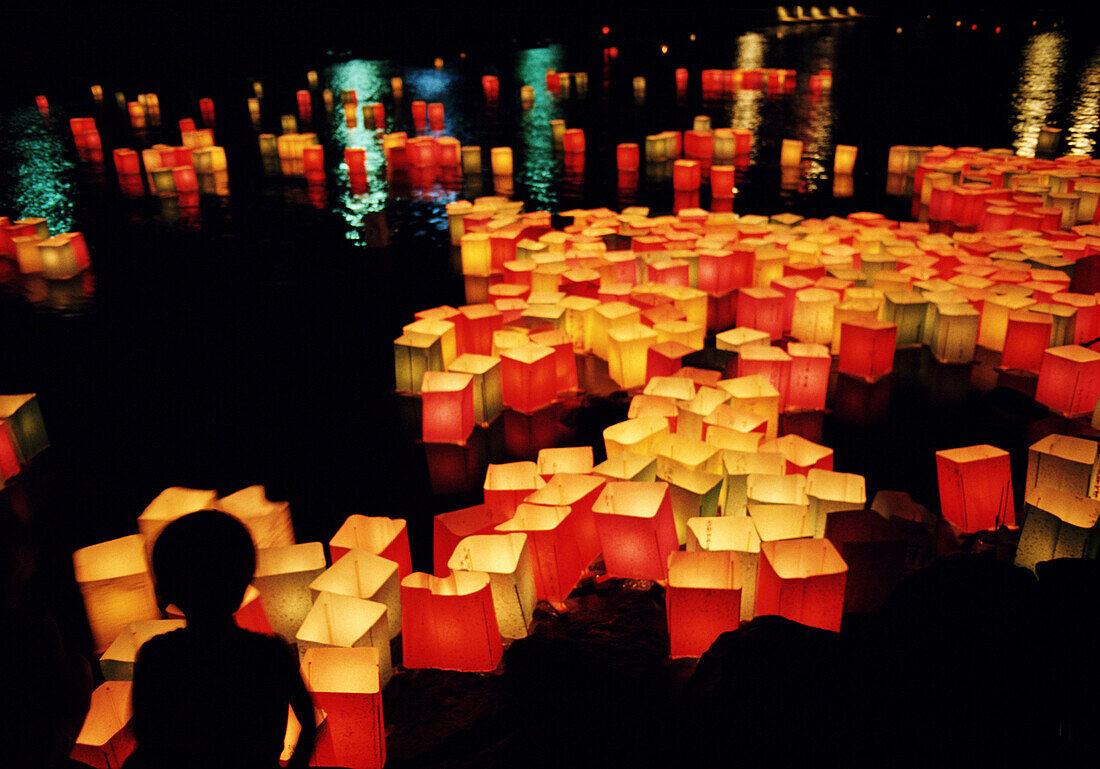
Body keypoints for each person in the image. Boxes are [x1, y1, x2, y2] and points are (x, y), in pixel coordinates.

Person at [125, 510, 316, 769]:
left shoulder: (156, 656)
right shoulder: (271, 653)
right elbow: (308, 722)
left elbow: (146, 734)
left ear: (167, 590)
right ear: (245, 581)